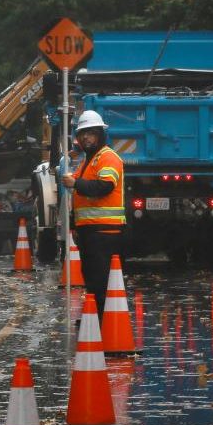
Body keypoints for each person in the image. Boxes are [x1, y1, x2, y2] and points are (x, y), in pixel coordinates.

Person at [62, 110, 125, 321]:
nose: (86, 137)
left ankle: (99, 320)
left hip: (104, 230)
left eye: (91, 133)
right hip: (90, 230)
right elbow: (79, 196)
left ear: (100, 134)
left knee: (100, 279)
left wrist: (75, 183)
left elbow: (104, 186)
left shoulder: (107, 157)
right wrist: (74, 225)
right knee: (91, 277)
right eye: (82, 134)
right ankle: (94, 317)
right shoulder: (88, 160)